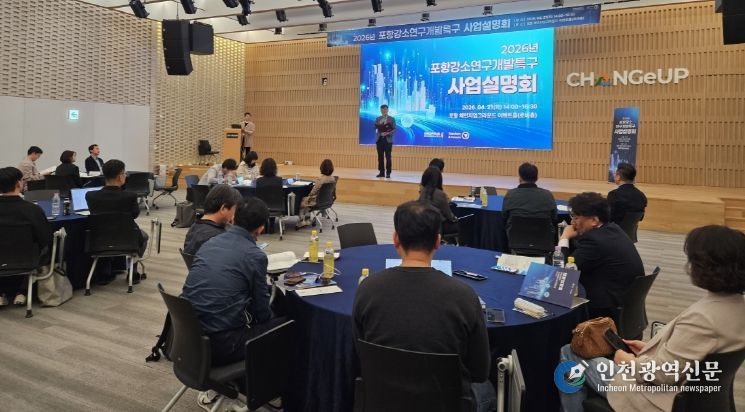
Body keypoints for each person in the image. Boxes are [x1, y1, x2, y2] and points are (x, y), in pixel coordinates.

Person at [559, 225, 745, 412]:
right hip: (687, 394)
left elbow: (662, 374)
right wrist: (650, 349)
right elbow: (693, 353)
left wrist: (626, 360)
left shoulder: (703, 319)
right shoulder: (737, 307)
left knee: (570, 352)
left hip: (653, 396)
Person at [353, 201, 496, 412]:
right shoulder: (464, 296)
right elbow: (480, 372)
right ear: (438, 241)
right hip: (447, 404)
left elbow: (360, 354)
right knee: (489, 390)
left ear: (395, 239)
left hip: (382, 401)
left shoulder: (366, 289)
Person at [559, 192, 644, 319]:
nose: (572, 222)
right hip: (623, 302)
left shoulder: (594, 241)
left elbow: (565, 269)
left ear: (594, 220)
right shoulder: (613, 228)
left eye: (576, 218)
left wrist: (564, 237)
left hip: (604, 309)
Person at [86, 159, 149, 284]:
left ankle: (104, 272)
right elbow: (134, 215)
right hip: (127, 237)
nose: (126, 176)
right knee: (144, 236)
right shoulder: (130, 196)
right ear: (120, 176)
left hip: (100, 237)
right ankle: (133, 272)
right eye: (124, 173)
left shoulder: (90, 195)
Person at [0, 167, 52, 307]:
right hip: (27, 259)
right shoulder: (32, 210)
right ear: (19, 184)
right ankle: (22, 290)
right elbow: (45, 238)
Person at [183, 185, 242, 256]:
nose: (235, 215)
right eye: (234, 210)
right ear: (223, 208)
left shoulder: (193, 228)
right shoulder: (220, 237)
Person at [502, 162, 558, 234]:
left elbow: (504, 217)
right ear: (537, 178)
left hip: (515, 237)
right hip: (544, 237)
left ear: (520, 178)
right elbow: (554, 217)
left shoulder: (510, 194)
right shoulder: (547, 195)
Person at [296, 159, 335, 229]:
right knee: (307, 201)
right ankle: (307, 220)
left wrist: (308, 196)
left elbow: (313, 192)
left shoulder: (320, 179)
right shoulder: (332, 179)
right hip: (327, 200)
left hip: (317, 201)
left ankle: (302, 221)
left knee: (303, 201)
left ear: (322, 168)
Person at [418, 166, 458, 235]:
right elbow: (448, 215)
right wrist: (455, 219)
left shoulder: (422, 191)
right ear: (439, 179)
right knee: (463, 224)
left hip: (424, 225)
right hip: (438, 227)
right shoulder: (440, 194)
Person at [374, 104, 396, 178]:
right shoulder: (378, 118)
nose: (384, 111)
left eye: (385, 109)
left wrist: (387, 133)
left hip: (388, 140)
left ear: (387, 110)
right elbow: (374, 127)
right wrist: (380, 124)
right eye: (382, 110)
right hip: (379, 139)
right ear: (380, 111)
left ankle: (388, 173)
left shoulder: (392, 119)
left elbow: (394, 129)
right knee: (380, 157)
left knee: (388, 157)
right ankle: (381, 172)